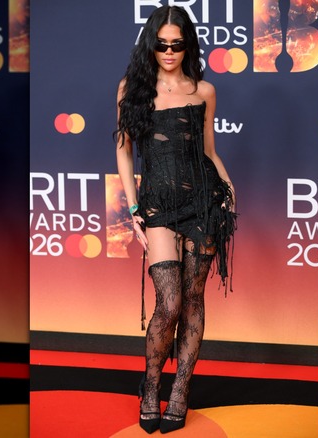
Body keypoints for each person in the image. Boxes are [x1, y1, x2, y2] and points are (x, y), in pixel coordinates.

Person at [115, 5, 236, 434]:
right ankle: (151, 384)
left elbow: (209, 150)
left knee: (193, 300)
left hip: (203, 203)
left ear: (188, 45)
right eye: (162, 44)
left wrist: (228, 187)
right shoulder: (133, 89)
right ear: (152, 44)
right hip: (157, 207)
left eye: (177, 44)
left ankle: (180, 388)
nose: (169, 51)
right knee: (168, 303)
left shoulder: (203, 91)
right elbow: (123, 151)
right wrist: (132, 212)